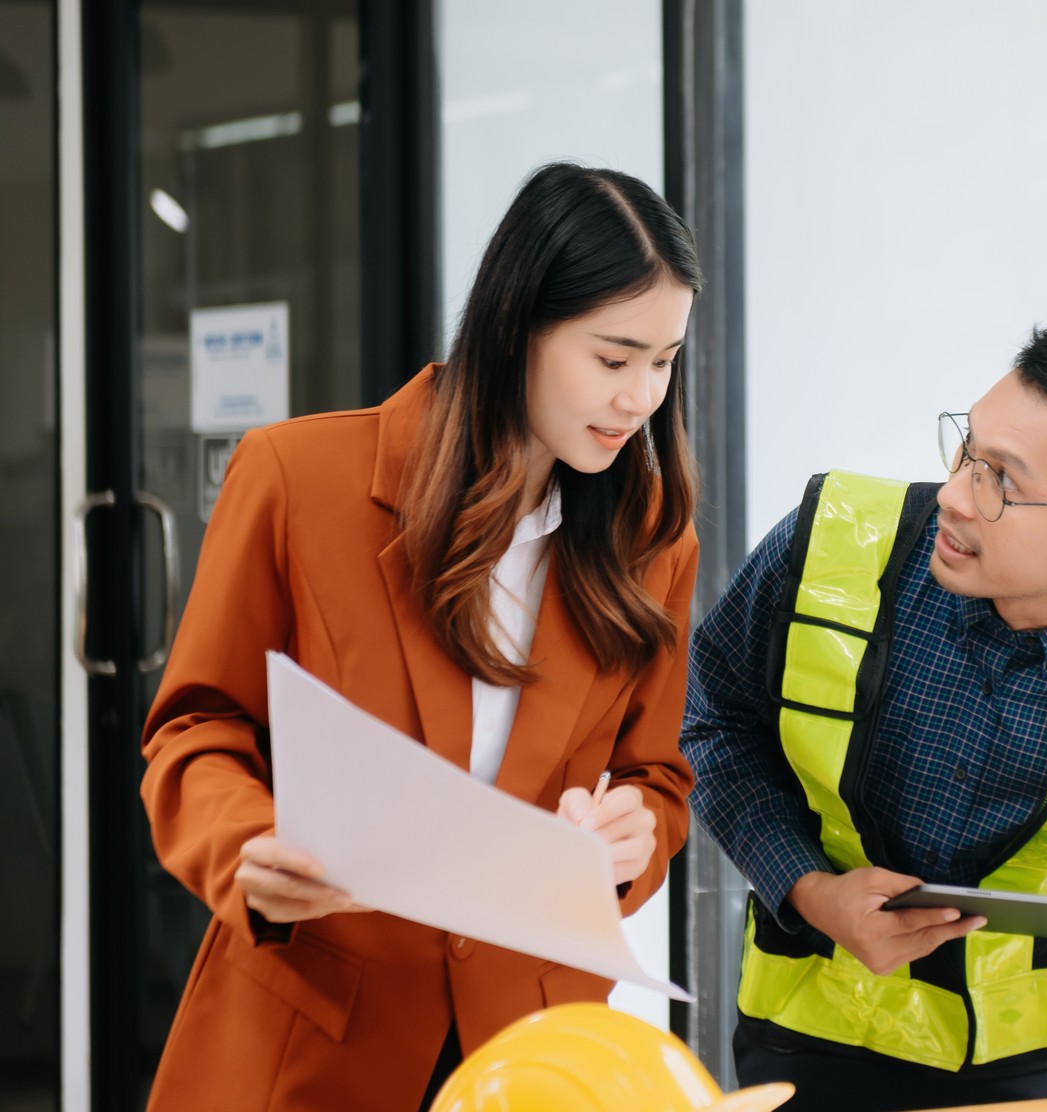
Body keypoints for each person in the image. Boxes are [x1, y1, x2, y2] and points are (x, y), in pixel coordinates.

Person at [140, 162, 704, 1111]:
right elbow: (195, 729)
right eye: (613, 360)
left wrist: (629, 841)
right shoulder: (294, 479)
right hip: (317, 1035)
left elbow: (658, 779)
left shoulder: (651, 536)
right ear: (516, 325)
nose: (642, 398)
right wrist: (250, 846)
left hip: (533, 1052)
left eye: (664, 361)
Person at [683, 326, 1047, 1112]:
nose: (957, 495)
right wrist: (808, 887)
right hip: (809, 1049)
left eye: (1003, 480)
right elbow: (711, 719)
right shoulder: (827, 547)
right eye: (968, 450)